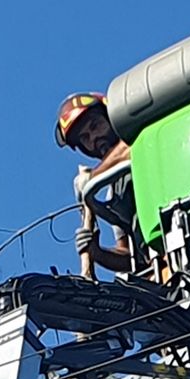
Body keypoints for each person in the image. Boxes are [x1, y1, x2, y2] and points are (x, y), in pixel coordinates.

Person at [55, 92, 139, 277]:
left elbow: (133, 148)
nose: (94, 138)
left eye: (96, 126)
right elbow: (129, 256)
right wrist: (97, 252)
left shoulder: (140, 136)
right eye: (85, 138)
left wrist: (93, 177)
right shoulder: (114, 191)